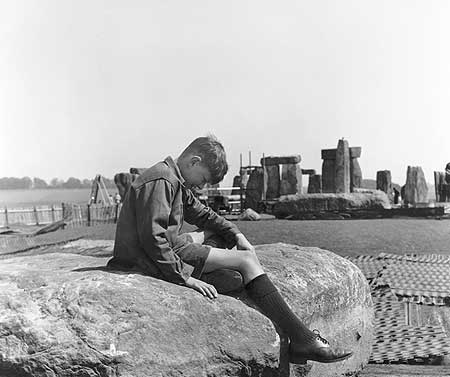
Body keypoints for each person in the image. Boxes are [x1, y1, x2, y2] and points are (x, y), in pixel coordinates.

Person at [108, 135, 352, 364]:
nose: (201, 187)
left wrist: (236, 233)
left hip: (166, 247)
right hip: (145, 258)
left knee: (218, 235)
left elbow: (203, 214)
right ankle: (302, 340)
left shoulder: (175, 179)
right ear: (195, 161)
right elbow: (153, 239)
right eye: (203, 179)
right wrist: (186, 278)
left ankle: (218, 270)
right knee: (246, 262)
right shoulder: (162, 180)